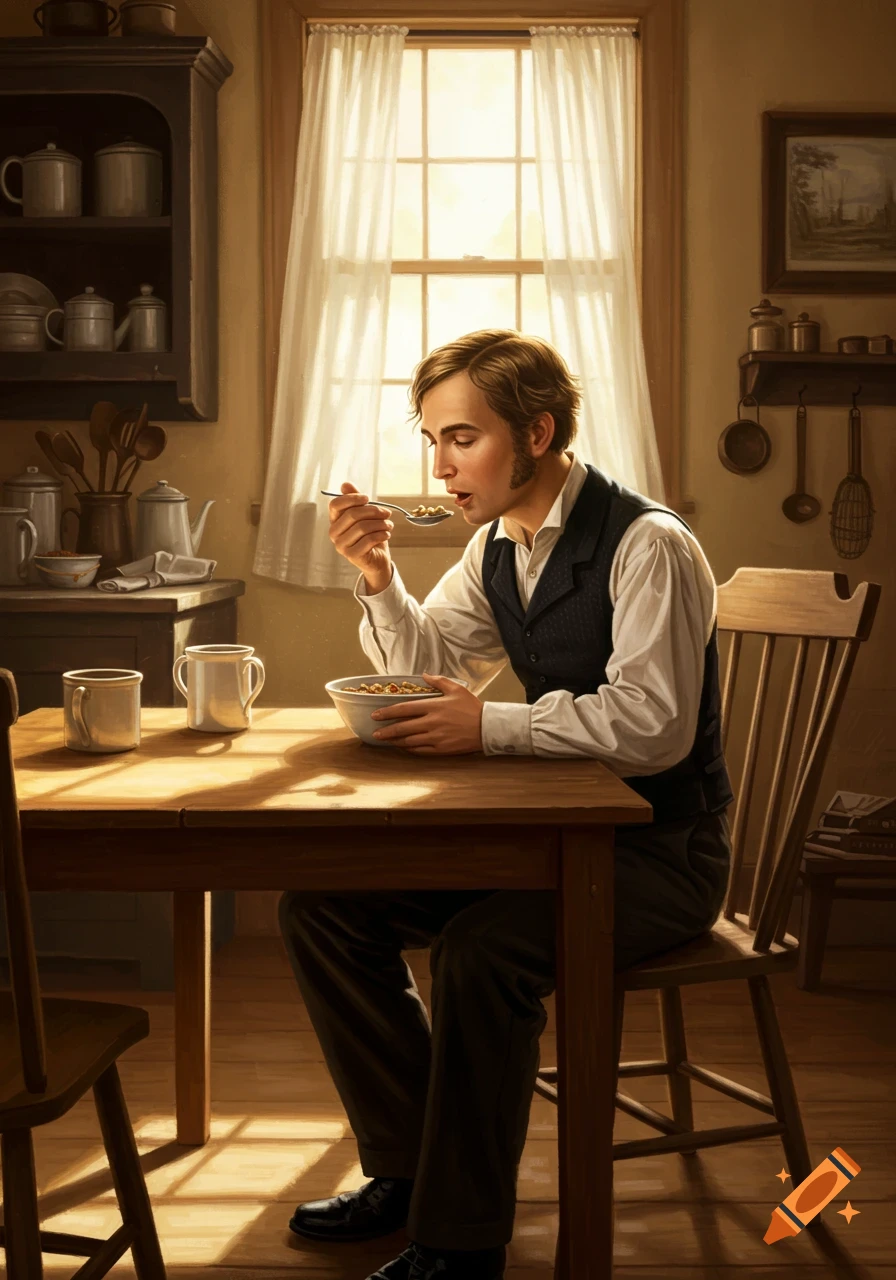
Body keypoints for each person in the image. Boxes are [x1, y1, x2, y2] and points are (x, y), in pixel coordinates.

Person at [279, 330, 733, 1280]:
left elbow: (655, 728)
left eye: (461, 438)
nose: (440, 466)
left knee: (481, 953)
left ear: (537, 433)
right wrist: (380, 578)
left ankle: (461, 1244)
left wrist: (487, 727)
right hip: (555, 840)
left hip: (663, 853)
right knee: (323, 908)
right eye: (433, 440)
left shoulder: (650, 544)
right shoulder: (497, 545)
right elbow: (429, 671)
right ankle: (408, 1171)